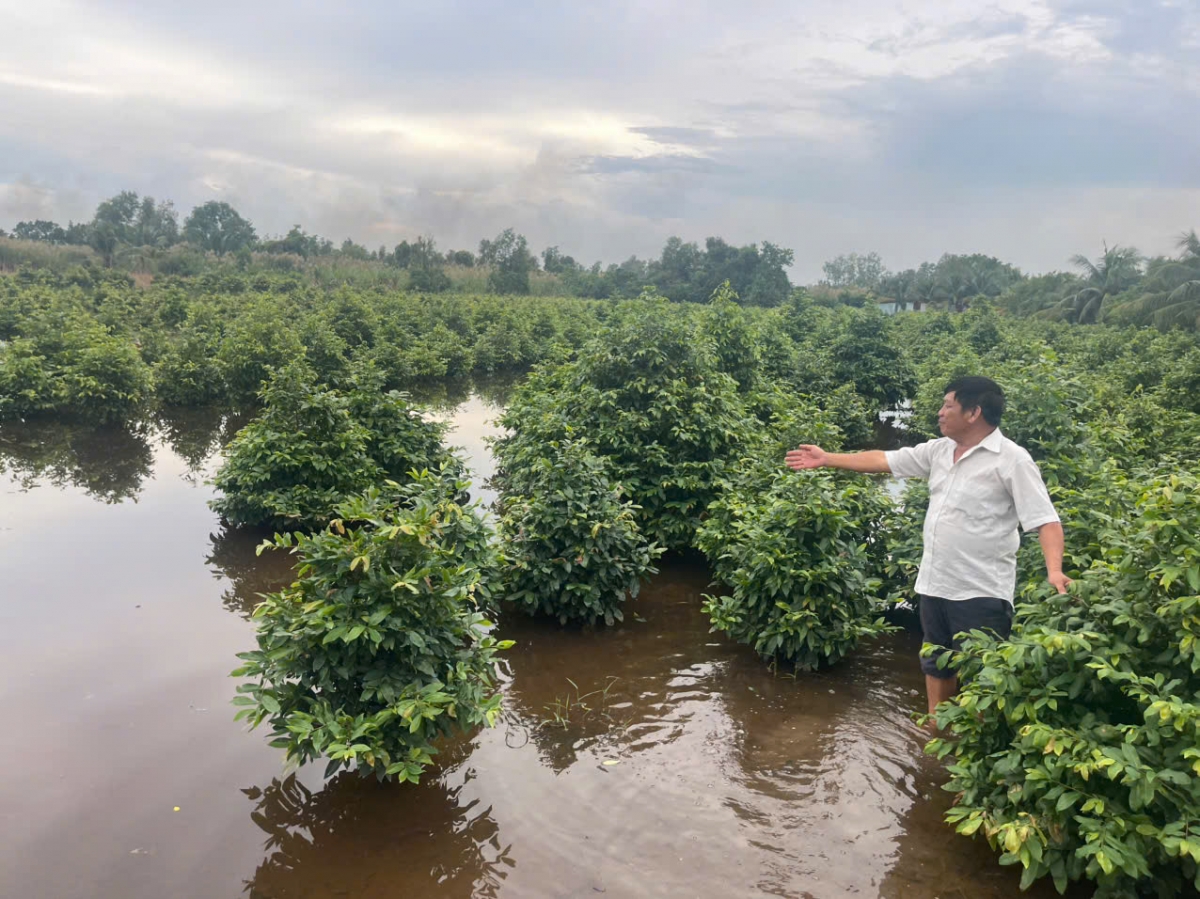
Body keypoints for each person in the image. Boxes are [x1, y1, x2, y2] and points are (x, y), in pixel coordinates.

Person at [784, 376, 1069, 716]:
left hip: (981, 593)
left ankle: (974, 754)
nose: (940, 412)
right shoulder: (938, 450)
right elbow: (883, 460)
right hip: (935, 585)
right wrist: (828, 458)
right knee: (936, 664)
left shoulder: (1012, 460)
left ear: (974, 412)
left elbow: (1045, 520)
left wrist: (1054, 570)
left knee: (982, 677)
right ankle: (939, 737)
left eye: (948, 405)